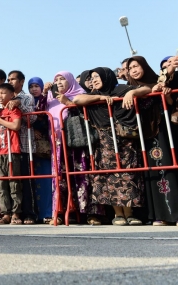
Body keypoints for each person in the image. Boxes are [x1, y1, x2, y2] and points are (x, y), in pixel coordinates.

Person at [73, 67, 151, 225]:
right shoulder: (94, 95)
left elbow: (147, 88)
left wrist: (132, 93)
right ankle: (118, 214)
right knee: (110, 176)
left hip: (125, 139)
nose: (94, 79)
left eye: (97, 76)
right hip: (105, 142)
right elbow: (76, 100)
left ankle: (130, 213)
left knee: (128, 174)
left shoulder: (121, 89)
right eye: (92, 77)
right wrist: (101, 99)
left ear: (106, 77)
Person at [45, 71, 105, 225]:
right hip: (57, 142)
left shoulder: (79, 93)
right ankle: (61, 212)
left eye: (62, 79)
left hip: (78, 141)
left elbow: (85, 111)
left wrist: (68, 102)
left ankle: (92, 214)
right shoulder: (50, 99)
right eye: (56, 79)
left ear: (70, 81)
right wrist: (44, 92)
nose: (58, 82)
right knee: (60, 178)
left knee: (83, 175)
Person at [128, 56, 178, 226]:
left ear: (144, 66)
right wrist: (133, 91)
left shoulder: (158, 81)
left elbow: (170, 103)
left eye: (136, 66)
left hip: (162, 131)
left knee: (169, 170)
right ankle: (160, 215)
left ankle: (175, 214)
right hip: (144, 135)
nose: (133, 70)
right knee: (152, 173)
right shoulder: (129, 88)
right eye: (130, 68)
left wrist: (164, 92)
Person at [3, 70, 37, 224]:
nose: (10, 82)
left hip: (24, 145)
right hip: (7, 147)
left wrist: (19, 104)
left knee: (26, 181)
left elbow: (33, 117)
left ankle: (29, 214)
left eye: (13, 79)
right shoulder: (3, 98)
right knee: (11, 182)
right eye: (8, 79)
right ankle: (12, 213)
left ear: (22, 81)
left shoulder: (27, 97)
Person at [0, 83, 23, 225]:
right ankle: (5, 214)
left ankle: (16, 213)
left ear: (12, 95)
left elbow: (16, 126)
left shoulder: (13, 109)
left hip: (12, 151)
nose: (0, 96)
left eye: (3, 93)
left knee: (13, 183)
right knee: (1, 185)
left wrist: (0, 121)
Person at [28, 76, 53, 222]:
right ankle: (37, 214)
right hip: (32, 147)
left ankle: (48, 212)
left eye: (37, 86)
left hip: (45, 146)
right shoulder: (28, 102)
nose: (34, 89)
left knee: (46, 181)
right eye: (31, 86)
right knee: (34, 182)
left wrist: (45, 94)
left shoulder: (47, 99)